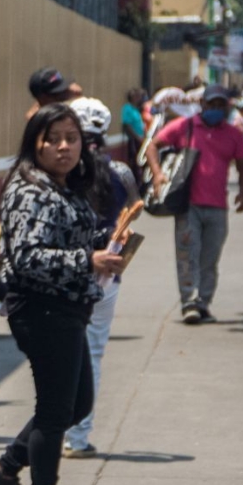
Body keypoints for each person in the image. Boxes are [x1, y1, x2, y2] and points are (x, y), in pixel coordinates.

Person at [0, 105, 120, 485]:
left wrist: (106, 248)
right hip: (42, 309)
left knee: (76, 403)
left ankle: (7, 468)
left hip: (68, 307)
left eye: (71, 138)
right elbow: (25, 257)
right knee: (57, 407)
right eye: (53, 138)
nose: (63, 147)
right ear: (34, 142)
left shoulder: (63, 184)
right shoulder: (28, 189)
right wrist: (87, 259)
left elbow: (64, 238)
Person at [64, 98, 140, 459]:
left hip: (66, 270)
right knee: (92, 353)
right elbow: (133, 213)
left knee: (60, 353)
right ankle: (78, 437)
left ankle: (54, 425)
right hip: (108, 273)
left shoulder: (62, 171)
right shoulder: (121, 173)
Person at [144, 84, 243, 324]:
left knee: (210, 259)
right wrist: (158, 173)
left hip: (218, 207)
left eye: (220, 105)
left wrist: (242, 194)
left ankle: (204, 302)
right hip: (188, 205)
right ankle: (189, 302)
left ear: (227, 107)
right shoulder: (186, 126)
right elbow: (153, 145)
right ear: (202, 104)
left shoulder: (233, 134)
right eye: (211, 104)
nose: (215, 109)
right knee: (187, 255)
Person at [121, 88, 147, 167]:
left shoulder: (136, 109)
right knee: (134, 161)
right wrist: (137, 137)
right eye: (137, 96)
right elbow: (127, 124)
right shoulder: (127, 108)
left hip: (141, 138)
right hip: (133, 139)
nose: (139, 98)